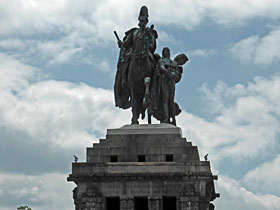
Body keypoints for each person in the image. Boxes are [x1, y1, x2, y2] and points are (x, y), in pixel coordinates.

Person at [113, 6, 158, 120]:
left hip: (146, 54)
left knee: (155, 64)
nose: (142, 22)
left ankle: (155, 84)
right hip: (134, 56)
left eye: (144, 21)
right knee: (125, 66)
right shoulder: (134, 33)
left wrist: (147, 45)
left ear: (146, 21)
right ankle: (124, 81)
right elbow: (126, 44)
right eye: (141, 21)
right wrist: (121, 44)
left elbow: (152, 45)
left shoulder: (150, 32)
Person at [151, 47, 188, 125]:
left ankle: (173, 119)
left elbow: (176, 72)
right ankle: (166, 117)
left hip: (171, 81)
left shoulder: (173, 62)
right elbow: (162, 67)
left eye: (168, 51)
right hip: (163, 80)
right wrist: (168, 72)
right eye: (165, 51)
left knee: (170, 100)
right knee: (165, 99)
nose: (166, 52)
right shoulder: (161, 60)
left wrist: (174, 74)